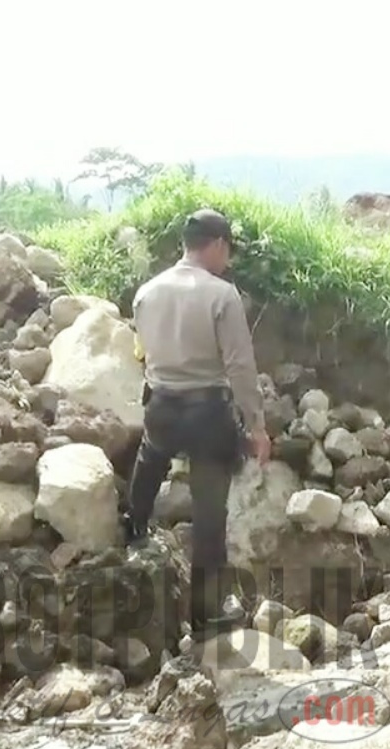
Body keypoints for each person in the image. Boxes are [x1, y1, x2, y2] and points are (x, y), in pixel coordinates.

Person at [124, 208, 272, 641]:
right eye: (228, 251)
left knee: (150, 460)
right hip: (208, 412)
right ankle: (207, 619)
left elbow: (142, 352)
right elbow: (240, 368)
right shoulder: (222, 295)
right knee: (210, 515)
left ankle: (133, 535)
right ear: (218, 245)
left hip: (163, 405)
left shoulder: (146, 292)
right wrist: (257, 426)